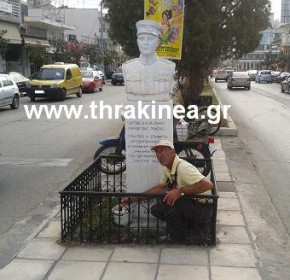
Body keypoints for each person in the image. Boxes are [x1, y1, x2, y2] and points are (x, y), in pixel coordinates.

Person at [123, 139, 213, 242]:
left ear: (173, 152)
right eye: (157, 152)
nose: (160, 155)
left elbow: (208, 185)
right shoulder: (167, 168)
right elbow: (160, 187)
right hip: (191, 205)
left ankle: (178, 237)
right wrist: (135, 199)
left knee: (167, 198)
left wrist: (180, 191)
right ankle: (189, 229)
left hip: (203, 210)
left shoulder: (183, 168)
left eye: (163, 150)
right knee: (156, 210)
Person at [122, 19, 175, 102]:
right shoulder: (127, 67)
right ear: (137, 42)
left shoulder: (168, 67)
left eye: (150, 39)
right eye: (142, 39)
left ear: (157, 42)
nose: (145, 43)